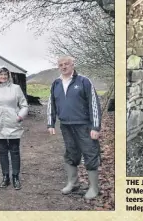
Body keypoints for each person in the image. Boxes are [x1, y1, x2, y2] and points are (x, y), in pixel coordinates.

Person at [46, 55, 102, 201]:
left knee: (90, 153)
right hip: (66, 126)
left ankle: (94, 187)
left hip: (84, 125)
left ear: (72, 65)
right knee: (71, 154)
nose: (64, 67)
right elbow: (51, 103)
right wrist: (50, 123)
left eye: (66, 64)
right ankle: (73, 182)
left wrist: (95, 127)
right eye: (61, 65)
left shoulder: (84, 81)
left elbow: (94, 104)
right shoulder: (56, 83)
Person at [0, 66, 28, 190]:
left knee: (14, 150)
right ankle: (5, 177)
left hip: (13, 123)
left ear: (8, 76)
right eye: (0, 75)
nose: (3, 77)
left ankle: (15, 177)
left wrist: (19, 116)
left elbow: (24, 105)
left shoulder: (16, 88)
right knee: (2, 151)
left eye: (5, 74)